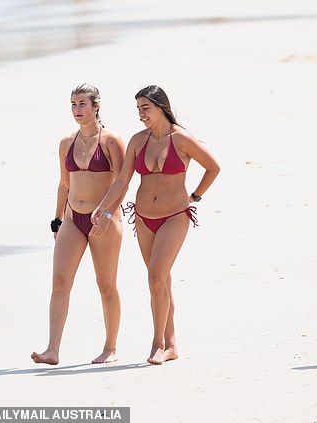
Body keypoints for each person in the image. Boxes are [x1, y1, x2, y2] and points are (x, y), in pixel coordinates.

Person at [89, 85, 220, 365]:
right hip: (144, 217)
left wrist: (195, 196)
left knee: (156, 277)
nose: (141, 114)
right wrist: (104, 207)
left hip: (174, 216)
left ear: (161, 107)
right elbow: (123, 180)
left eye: (145, 108)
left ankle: (158, 344)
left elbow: (213, 167)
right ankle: (172, 344)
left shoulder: (181, 139)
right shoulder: (138, 141)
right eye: (138, 109)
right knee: (161, 281)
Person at [31, 83, 126, 365]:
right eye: (73, 104)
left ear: (96, 106)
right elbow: (63, 183)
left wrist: (107, 214)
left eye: (82, 104)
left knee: (106, 284)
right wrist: (57, 220)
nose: (77, 110)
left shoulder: (111, 141)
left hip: (105, 221)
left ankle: (110, 348)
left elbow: (121, 183)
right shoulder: (66, 143)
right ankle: (52, 350)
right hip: (73, 218)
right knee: (60, 282)